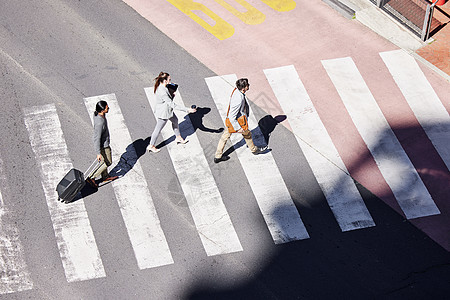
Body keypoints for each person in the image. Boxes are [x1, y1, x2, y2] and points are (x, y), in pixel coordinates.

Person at [214, 78, 268, 163]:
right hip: (238, 121)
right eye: (247, 85)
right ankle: (254, 150)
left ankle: (218, 156)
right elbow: (232, 116)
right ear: (243, 88)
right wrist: (238, 128)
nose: (248, 86)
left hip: (233, 121)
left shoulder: (236, 91)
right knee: (247, 134)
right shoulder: (238, 99)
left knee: (225, 137)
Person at [147, 72, 196, 153]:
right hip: (164, 113)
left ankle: (178, 137)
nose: (170, 81)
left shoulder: (163, 86)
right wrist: (188, 110)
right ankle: (151, 145)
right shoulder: (162, 91)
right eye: (169, 80)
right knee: (158, 129)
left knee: (175, 121)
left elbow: (167, 101)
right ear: (165, 81)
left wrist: (172, 95)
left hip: (167, 111)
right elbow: (173, 105)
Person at [85, 100, 118, 188]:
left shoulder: (98, 114)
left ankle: (105, 176)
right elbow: (96, 138)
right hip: (104, 145)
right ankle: (92, 177)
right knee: (108, 162)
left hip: (103, 143)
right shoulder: (100, 123)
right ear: (102, 110)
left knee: (104, 161)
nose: (108, 108)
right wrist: (98, 153)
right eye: (107, 107)